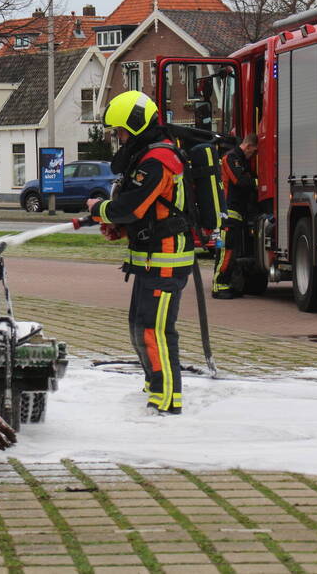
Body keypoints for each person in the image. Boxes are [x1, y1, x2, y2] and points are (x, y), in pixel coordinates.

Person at [85, 91, 194, 415]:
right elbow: (147, 212)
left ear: (134, 126)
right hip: (151, 258)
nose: (118, 139)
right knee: (139, 326)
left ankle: (167, 400)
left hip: (165, 260)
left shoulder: (159, 161)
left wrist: (98, 209)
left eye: (120, 132)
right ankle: (154, 386)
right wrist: (119, 229)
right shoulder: (150, 157)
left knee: (155, 329)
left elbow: (131, 207)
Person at [212, 133, 258, 300]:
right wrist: (257, 183)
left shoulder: (241, 160)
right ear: (247, 147)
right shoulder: (230, 158)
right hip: (227, 213)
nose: (253, 156)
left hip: (235, 213)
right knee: (225, 250)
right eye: (253, 152)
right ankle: (218, 285)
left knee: (230, 251)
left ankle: (226, 283)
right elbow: (240, 181)